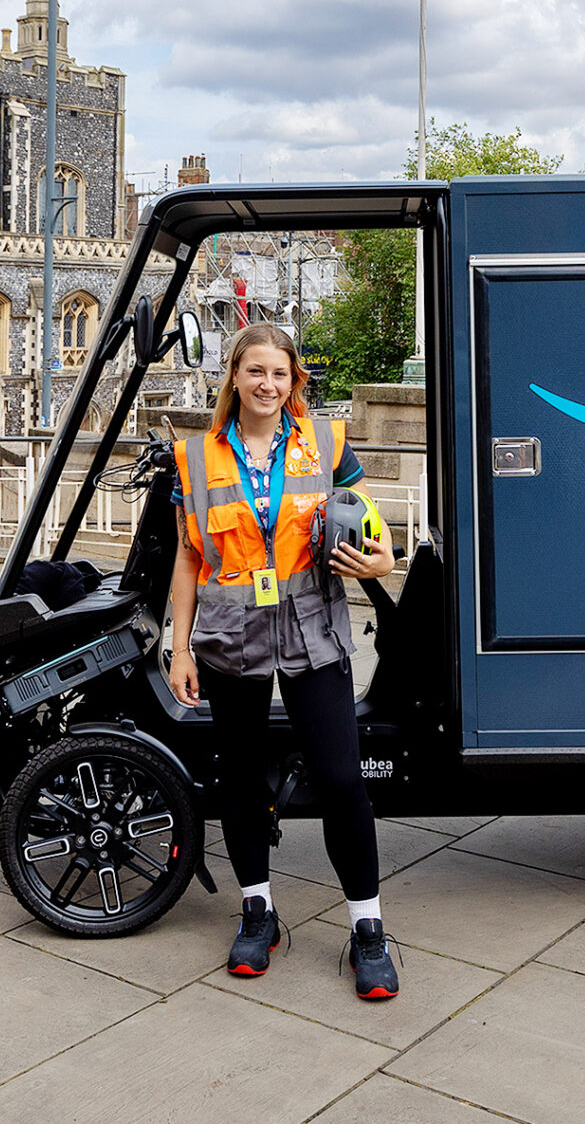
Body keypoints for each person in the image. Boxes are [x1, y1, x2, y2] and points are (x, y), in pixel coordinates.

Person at [167, 321, 403, 1000]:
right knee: (241, 779)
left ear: (294, 380)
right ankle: (258, 913)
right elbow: (189, 559)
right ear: (234, 377)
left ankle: (368, 929)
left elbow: (372, 522)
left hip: (313, 631)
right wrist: (179, 647)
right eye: (255, 371)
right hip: (231, 633)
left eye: (279, 373)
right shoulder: (197, 457)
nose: (267, 383)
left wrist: (384, 560)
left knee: (340, 779)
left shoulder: (325, 442)